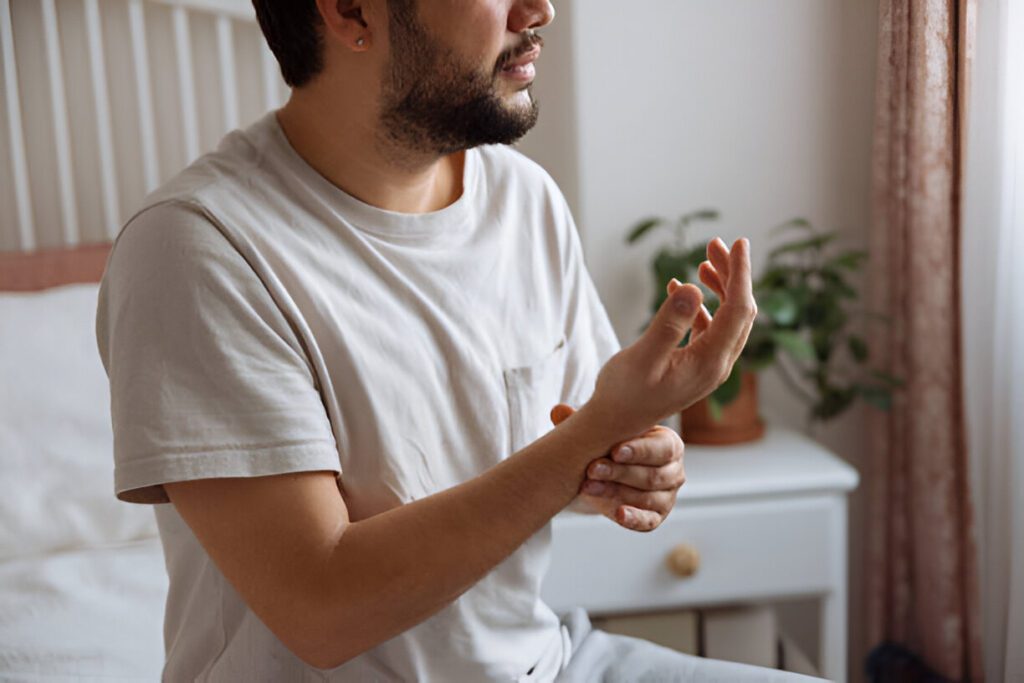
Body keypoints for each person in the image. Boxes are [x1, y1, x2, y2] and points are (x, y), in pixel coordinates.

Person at [96, 1, 813, 681]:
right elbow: (321, 606)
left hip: (551, 660)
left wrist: (631, 459)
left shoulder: (523, 199)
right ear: (350, 11)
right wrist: (591, 435)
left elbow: (576, 451)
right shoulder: (198, 248)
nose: (539, 11)